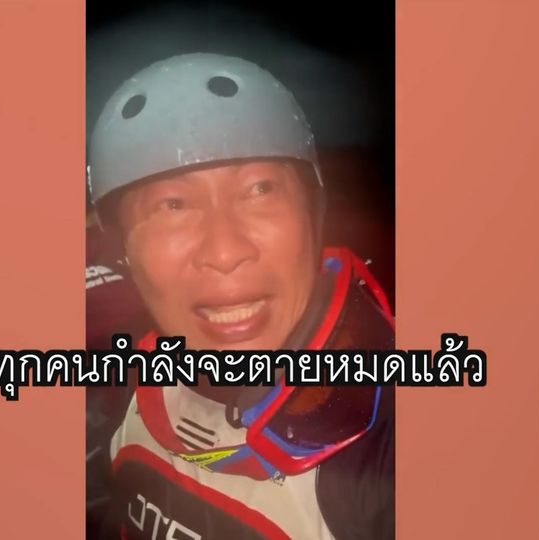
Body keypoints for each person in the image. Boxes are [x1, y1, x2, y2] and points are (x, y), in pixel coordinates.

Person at [86, 53, 395, 539]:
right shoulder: (124, 383)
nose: (225, 252)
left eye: (260, 189)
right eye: (172, 204)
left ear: (314, 214)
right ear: (123, 251)